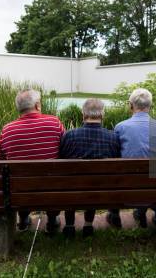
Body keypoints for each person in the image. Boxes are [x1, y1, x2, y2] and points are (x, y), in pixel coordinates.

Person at [0, 89, 65, 233]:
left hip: (19, 191)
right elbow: (65, 152)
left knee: (18, 181)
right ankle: (52, 221)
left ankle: (23, 219)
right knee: (53, 180)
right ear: (37, 105)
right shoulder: (54, 122)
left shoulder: (7, 130)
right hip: (51, 189)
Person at [59, 98, 121, 238]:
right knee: (94, 181)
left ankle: (69, 225)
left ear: (83, 114)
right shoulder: (113, 137)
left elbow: (61, 161)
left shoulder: (69, 136)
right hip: (102, 190)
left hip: (72, 190)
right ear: (102, 115)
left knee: (73, 182)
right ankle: (88, 225)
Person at [112, 88, 156, 228]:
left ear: (131, 105)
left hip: (128, 183)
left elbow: (116, 154)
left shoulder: (120, 127)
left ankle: (115, 215)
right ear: (150, 106)